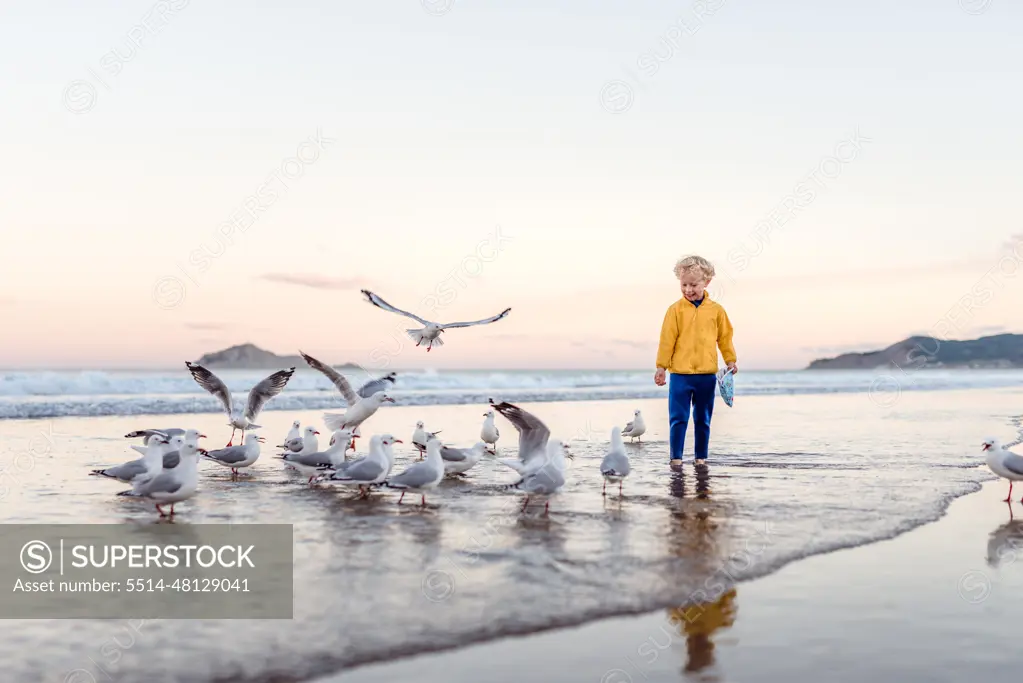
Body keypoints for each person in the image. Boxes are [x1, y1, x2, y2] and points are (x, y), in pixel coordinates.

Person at [654, 255, 737, 470]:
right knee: (678, 418)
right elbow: (666, 340)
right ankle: (676, 458)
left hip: (706, 375)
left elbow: (725, 338)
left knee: (703, 419)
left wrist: (730, 361)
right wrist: (661, 367)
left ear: (707, 282)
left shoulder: (716, 311)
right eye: (684, 285)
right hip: (680, 375)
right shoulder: (675, 310)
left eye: (693, 285)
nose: (688, 289)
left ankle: (701, 458)